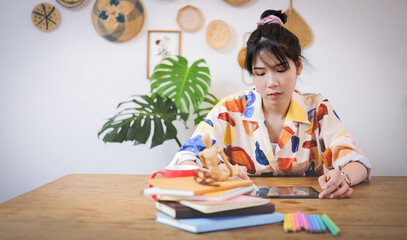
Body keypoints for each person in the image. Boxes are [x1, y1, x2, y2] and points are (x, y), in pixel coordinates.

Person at [168, 10, 371, 199]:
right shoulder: (229, 110)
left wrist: (343, 177)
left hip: (308, 209)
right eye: (260, 73)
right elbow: (184, 159)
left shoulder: (317, 109)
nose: (271, 83)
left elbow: (356, 160)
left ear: (298, 66)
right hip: (241, 209)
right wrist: (217, 173)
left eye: (281, 70)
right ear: (252, 73)